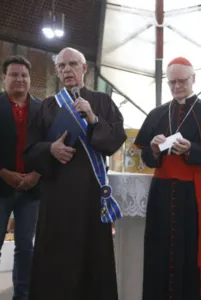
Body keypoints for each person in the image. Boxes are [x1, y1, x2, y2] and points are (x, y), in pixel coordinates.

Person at [23, 47, 126, 300]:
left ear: (84, 68)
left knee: (93, 254)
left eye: (72, 64)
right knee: (56, 255)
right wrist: (51, 149)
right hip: (57, 193)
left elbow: (115, 140)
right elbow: (29, 150)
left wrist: (93, 119)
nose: (67, 70)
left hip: (91, 193)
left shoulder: (102, 102)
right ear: (57, 71)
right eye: (62, 66)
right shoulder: (46, 106)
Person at [134, 57, 201, 300]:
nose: (177, 86)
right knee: (160, 249)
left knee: (192, 250)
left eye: (182, 81)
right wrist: (155, 150)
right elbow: (147, 158)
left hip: (193, 195)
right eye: (172, 82)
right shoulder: (157, 114)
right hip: (162, 193)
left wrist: (191, 150)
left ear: (193, 79)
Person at [0, 55, 41, 300]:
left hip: (32, 188)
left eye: (24, 75)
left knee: (26, 247)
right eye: (14, 75)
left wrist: (36, 174)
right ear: (4, 78)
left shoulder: (41, 107)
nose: (19, 79)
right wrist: (3, 172)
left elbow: (47, 145)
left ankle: (22, 295)